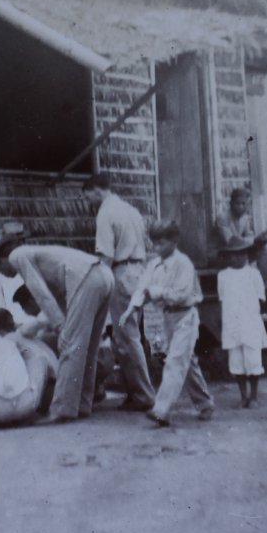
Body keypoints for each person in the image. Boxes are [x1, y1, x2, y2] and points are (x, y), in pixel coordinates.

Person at [0, 234, 114, 423]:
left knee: (71, 346)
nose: (2, 274)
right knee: (89, 347)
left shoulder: (17, 255)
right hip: (103, 275)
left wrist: (60, 325)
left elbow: (41, 294)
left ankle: (62, 409)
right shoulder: (40, 256)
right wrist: (63, 320)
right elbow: (60, 296)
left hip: (85, 278)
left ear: (3, 259)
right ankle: (83, 404)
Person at [121, 220, 214, 427]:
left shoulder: (184, 264)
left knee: (175, 361)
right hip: (168, 318)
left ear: (174, 241)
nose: (157, 248)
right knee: (187, 363)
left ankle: (161, 410)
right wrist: (132, 308)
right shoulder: (154, 264)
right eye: (154, 243)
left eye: (161, 243)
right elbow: (142, 287)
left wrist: (154, 292)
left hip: (186, 316)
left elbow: (180, 295)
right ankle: (205, 403)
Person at [83, 173, 156, 411]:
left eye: (89, 196)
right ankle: (137, 391)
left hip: (122, 272)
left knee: (126, 338)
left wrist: (97, 284)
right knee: (132, 334)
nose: (89, 202)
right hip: (138, 271)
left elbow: (106, 256)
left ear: (97, 190)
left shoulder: (105, 213)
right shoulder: (130, 209)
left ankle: (144, 396)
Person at [217, 236, 267, 409]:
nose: (235, 258)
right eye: (232, 255)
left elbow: (261, 299)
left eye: (240, 254)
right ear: (227, 257)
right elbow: (223, 300)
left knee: (253, 360)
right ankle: (243, 395)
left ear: (246, 255)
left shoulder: (254, 274)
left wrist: (251, 315)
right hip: (232, 324)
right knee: (236, 361)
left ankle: (253, 396)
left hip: (250, 322)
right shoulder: (223, 276)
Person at [213, 188, 267, 283]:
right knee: (245, 259)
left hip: (237, 252)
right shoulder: (222, 218)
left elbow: (249, 235)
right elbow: (230, 241)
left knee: (265, 250)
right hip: (223, 255)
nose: (240, 206)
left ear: (247, 205)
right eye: (238, 203)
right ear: (231, 203)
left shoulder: (244, 218)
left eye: (243, 203)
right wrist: (253, 241)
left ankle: (265, 282)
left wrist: (259, 240)